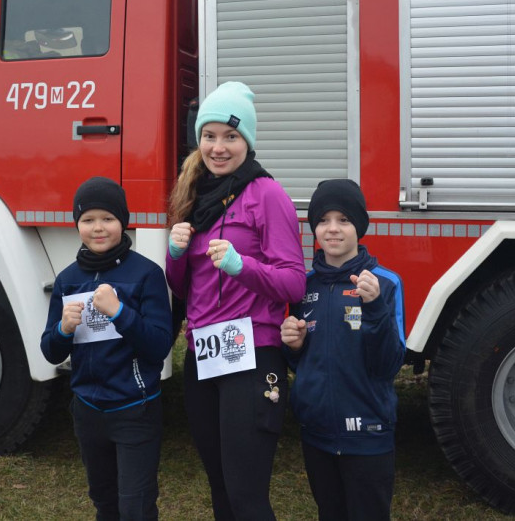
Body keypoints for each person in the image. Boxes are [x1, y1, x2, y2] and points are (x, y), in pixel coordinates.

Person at [166, 81, 306, 521]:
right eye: (209, 135)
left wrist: (241, 267)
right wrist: (173, 255)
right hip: (204, 355)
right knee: (221, 491)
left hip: (253, 356)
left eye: (231, 137)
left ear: (247, 140)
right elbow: (185, 288)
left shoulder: (267, 195)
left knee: (247, 495)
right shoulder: (194, 195)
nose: (218, 147)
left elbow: (294, 284)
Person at [41, 176, 172, 521]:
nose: (98, 228)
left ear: (122, 222)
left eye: (108, 219)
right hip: (87, 410)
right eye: (88, 220)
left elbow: (159, 346)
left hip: (134, 409)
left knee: (136, 506)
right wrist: (63, 329)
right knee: (104, 503)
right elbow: (50, 351)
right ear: (77, 225)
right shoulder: (68, 279)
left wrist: (120, 313)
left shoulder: (147, 274)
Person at [281, 179, 406, 521]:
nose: (332, 229)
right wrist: (292, 346)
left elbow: (388, 366)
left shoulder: (385, 283)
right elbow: (301, 362)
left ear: (359, 227)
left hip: (368, 434)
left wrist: (376, 307)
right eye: (323, 220)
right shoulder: (302, 286)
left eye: (344, 220)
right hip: (317, 434)